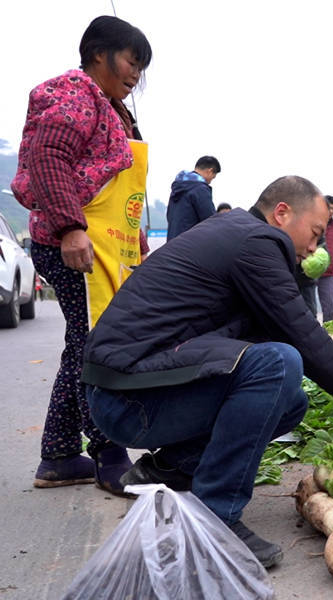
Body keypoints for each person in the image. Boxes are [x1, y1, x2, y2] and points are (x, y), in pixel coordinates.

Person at [81, 176, 333, 567]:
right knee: (280, 363)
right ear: (281, 213)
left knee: (291, 402)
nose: (315, 247)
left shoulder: (237, 235)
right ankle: (217, 517)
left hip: (126, 391)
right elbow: (294, 325)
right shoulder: (257, 241)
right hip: (128, 398)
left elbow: (272, 328)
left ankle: (171, 468)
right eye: (315, 233)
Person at [11, 15, 152, 496]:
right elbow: (47, 158)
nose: (136, 73)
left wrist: (138, 249)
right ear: (98, 54)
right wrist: (71, 229)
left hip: (107, 248)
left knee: (82, 345)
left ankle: (58, 456)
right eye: (132, 60)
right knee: (98, 348)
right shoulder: (75, 91)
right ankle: (108, 451)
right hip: (72, 244)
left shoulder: (111, 108)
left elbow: (123, 198)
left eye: (141, 66)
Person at [165, 155, 221, 240]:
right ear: (210, 171)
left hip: (172, 242)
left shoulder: (178, 187)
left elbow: (169, 216)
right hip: (190, 244)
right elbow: (209, 219)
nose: (210, 182)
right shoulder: (200, 189)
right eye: (212, 178)